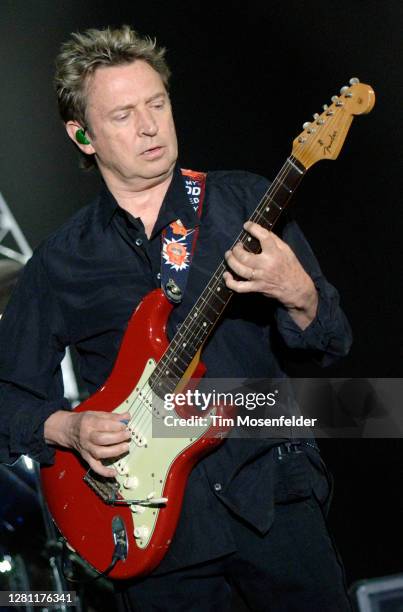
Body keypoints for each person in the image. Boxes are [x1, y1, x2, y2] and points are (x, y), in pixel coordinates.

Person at [0, 25, 353, 611]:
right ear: (81, 135)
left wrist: (299, 295)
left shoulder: (245, 204)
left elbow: (330, 345)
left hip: (271, 499)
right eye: (122, 115)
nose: (149, 126)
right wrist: (69, 429)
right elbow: (8, 396)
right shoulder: (61, 262)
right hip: (149, 534)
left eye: (157, 104)